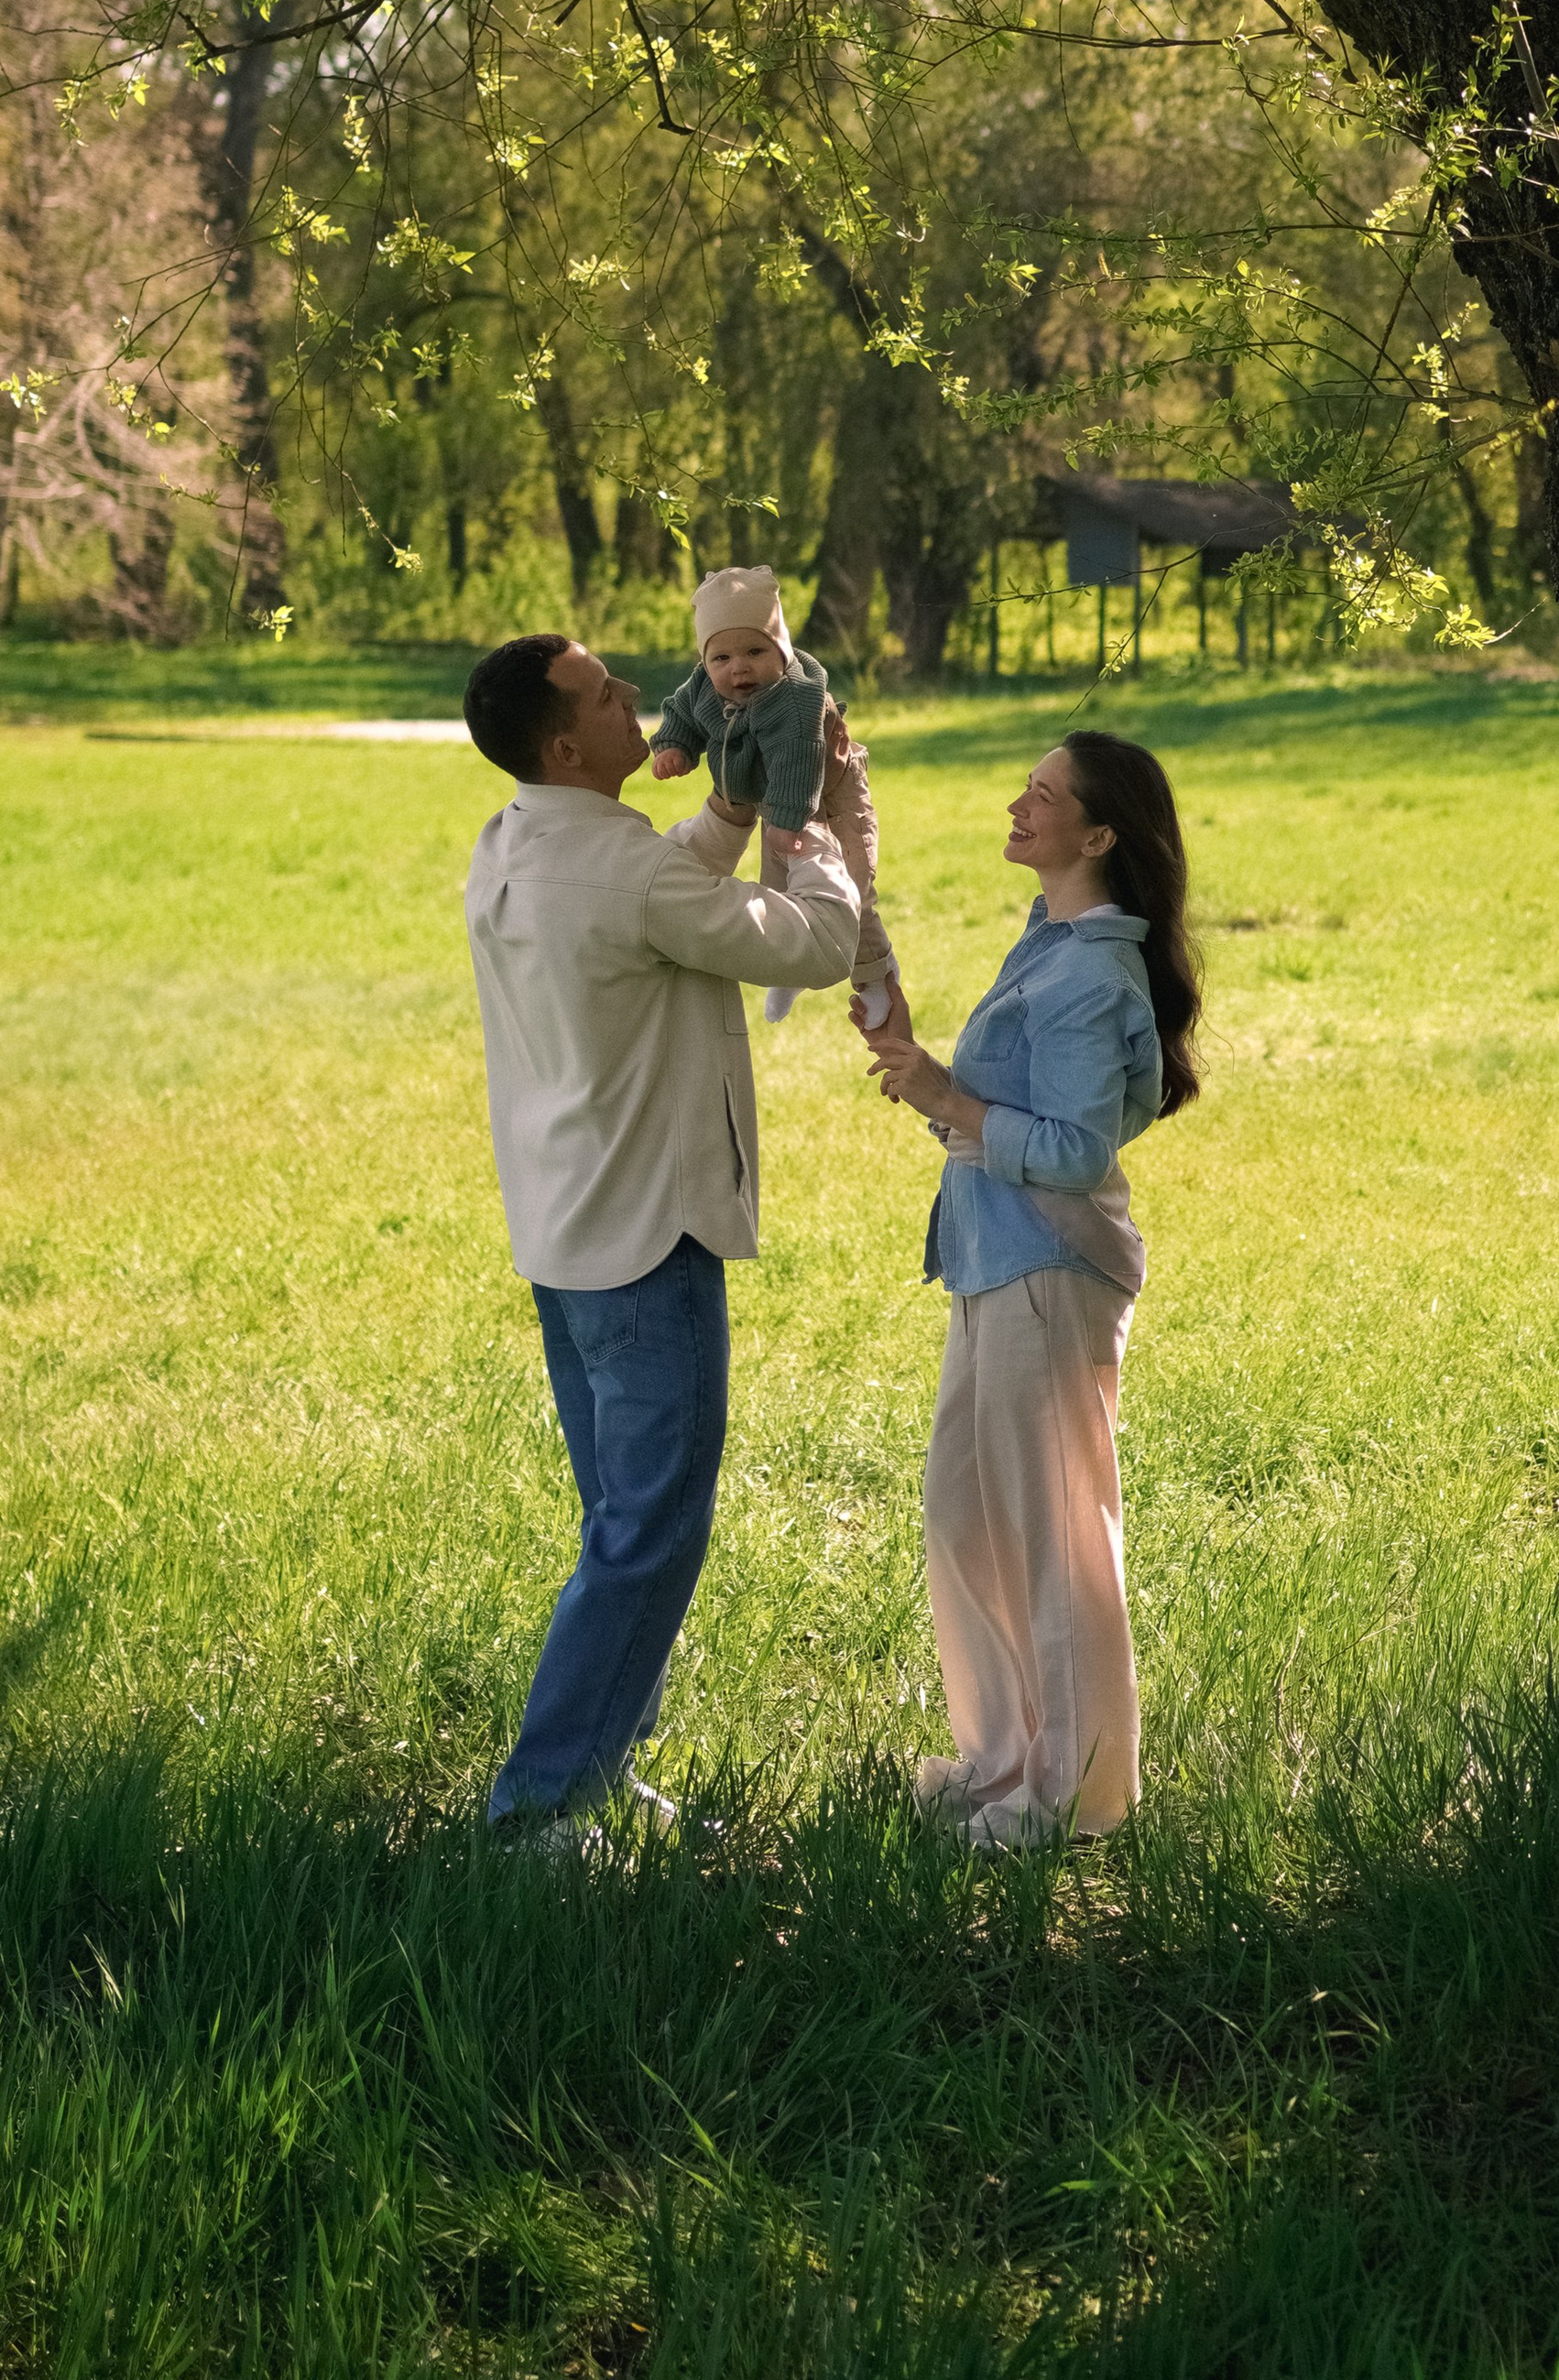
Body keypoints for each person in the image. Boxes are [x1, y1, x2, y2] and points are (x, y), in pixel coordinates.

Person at [461, 630, 861, 1832]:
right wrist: (815, 826)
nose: (634, 694)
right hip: (646, 1243)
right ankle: (539, 1812)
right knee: (648, 1538)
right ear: (563, 745)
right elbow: (816, 945)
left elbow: (653, 897)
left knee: (620, 1524)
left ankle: (598, 1774)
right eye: (602, 693)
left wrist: (728, 810)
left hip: (565, 1230)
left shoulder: (512, 842)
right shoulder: (626, 879)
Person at [858, 732, 1202, 1848]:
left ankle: (1071, 1800)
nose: (1019, 804)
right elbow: (999, 1117)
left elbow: (1069, 1149)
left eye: (1044, 796)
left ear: (1097, 837)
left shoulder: (1090, 973)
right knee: (966, 1518)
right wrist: (924, 1074)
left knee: (1054, 1538)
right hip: (992, 1257)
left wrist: (947, 1096)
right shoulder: (1048, 940)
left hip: (1049, 1271)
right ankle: (1003, 1762)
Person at [650, 562, 899, 1028]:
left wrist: (787, 820)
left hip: (834, 795)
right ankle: (792, 969)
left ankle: (876, 976)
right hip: (778, 799)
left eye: (755, 650)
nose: (738, 667)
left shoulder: (796, 699)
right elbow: (681, 710)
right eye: (721, 658)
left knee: (853, 887)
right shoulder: (704, 685)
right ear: (705, 661)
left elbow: (797, 761)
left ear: (781, 648)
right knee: (778, 884)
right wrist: (674, 746)